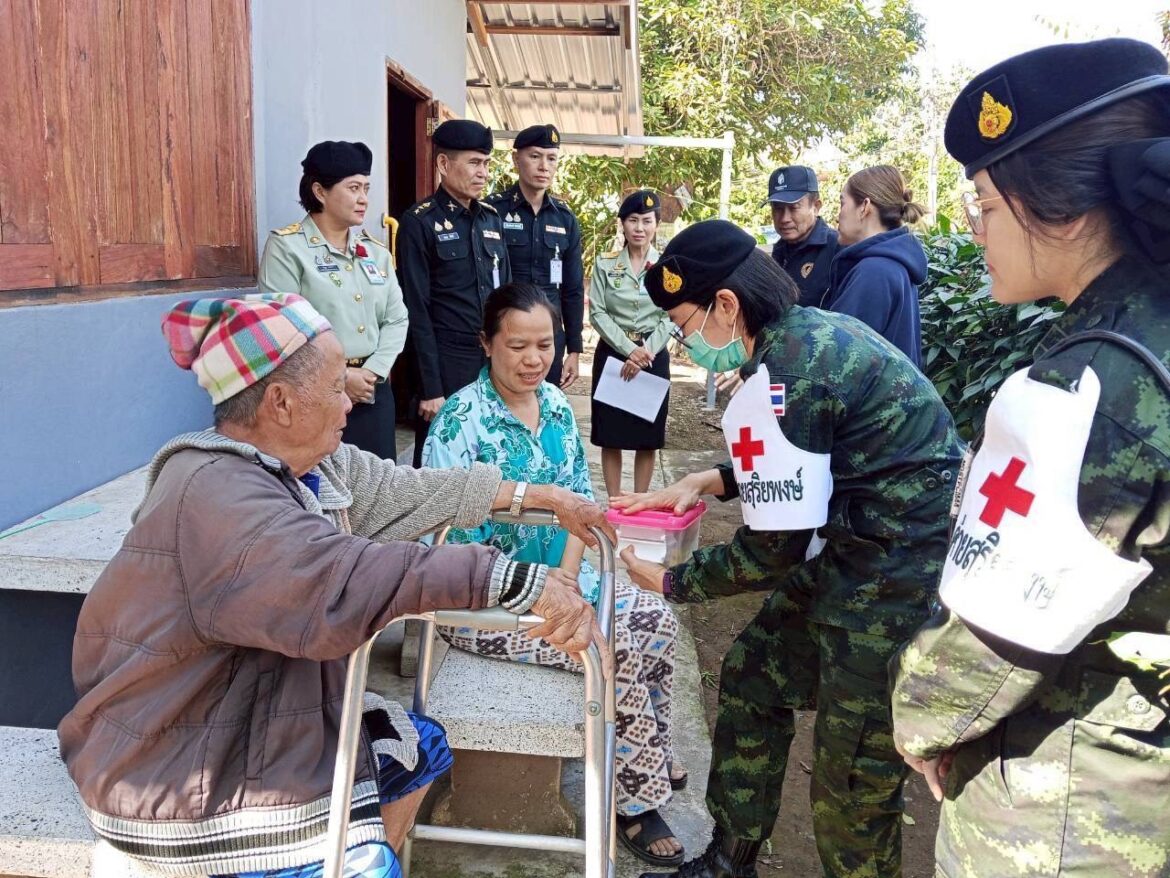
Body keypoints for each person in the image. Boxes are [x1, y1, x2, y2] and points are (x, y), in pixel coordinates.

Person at [57, 293, 614, 878]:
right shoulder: (215, 493)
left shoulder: (316, 466)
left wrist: (536, 496)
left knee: (421, 745)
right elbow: (337, 579)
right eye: (334, 385)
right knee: (368, 862)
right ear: (281, 402)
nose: (351, 396)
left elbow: (411, 490)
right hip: (177, 774)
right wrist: (508, 578)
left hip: (250, 714)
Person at [890, 39, 1170, 878]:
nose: (973, 229)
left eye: (983, 201)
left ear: (1063, 207)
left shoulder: (1091, 384)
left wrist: (921, 723)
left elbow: (995, 633)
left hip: (1065, 805)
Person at [612, 220, 963, 878]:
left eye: (684, 326)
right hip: (855, 553)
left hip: (895, 582)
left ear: (725, 305)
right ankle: (730, 857)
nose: (684, 343)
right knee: (753, 674)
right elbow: (812, 455)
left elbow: (771, 552)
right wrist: (708, 478)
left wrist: (670, 581)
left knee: (850, 783)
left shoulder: (786, 373)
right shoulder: (805, 338)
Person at [421, 282, 686, 867]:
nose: (533, 359)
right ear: (486, 344)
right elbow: (451, 545)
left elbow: (578, 507)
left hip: (557, 584)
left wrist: (565, 581)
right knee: (610, 641)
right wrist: (538, 592)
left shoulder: (560, 409)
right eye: (517, 346)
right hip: (485, 601)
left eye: (544, 344)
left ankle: (646, 749)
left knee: (655, 619)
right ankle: (635, 803)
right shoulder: (457, 424)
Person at [258, 140, 407, 461]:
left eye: (366, 188)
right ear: (320, 192)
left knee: (377, 491)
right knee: (317, 489)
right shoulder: (288, 249)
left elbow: (397, 319)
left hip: (371, 392)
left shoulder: (376, 253)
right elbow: (281, 327)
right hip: (311, 393)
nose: (364, 198)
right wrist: (340, 379)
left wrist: (373, 373)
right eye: (353, 188)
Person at [398, 119, 511, 466]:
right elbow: (416, 310)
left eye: (487, 164)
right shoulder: (420, 222)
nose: (483, 173)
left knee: (491, 452)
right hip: (447, 362)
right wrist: (430, 387)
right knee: (439, 461)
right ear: (444, 165)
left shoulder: (492, 219)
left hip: (490, 358)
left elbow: (505, 295)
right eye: (474, 163)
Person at [486, 123, 585, 388]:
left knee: (543, 407)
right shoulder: (493, 211)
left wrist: (574, 349)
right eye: (535, 156)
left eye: (551, 158)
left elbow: (573, 289)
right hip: (506, 333)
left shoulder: (565, 219)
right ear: (516, 158)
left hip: (547, 336)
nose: (544, 166)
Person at [589, 190, 672, 497]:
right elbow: (597, 311)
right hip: (614, 354)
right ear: (622, 225)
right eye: (633, 220)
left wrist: (645, 352)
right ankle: (613, 501)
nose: (639, 227)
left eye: (646, 221)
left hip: (653, 354)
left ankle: (640, 500)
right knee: (611, 434)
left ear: (656, 224)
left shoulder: (667, 267)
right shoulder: (605, 264)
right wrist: (629, 350)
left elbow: (672, 315)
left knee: (646, 435)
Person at [824, 165, 927, 367]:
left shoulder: (874, 272)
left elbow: (835, 357)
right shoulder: (892, 262)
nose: (838, 215)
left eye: (842, 203)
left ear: (864, 207)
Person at [766, 165, 839, 308]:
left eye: (794, 208)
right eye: (778, 208)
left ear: (816, 207)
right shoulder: (779, 251)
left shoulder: (836, 249)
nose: (784, 218)